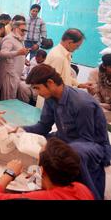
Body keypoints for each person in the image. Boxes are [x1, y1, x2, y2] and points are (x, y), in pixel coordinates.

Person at [21, 64, 111, 200]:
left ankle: (88, 195)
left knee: (72, 153)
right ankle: (49, 187)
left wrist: (54, 151)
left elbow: (86, 140)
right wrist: (20, 130)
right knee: (36, 140)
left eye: (37, 88)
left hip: (93, 146)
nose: (37, 93)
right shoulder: (50, 99)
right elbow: (43, 127)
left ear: (50, 83)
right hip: (67, 139)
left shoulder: (82, 103)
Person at [0, 137, 95, 200]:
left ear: (41, 170)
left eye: (38, 158)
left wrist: (9, 173)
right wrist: (40, 180)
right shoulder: (82, 189)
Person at [0, 21, 29, 100]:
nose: (24, 33)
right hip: (8, 73)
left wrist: (24, 60)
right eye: (22, 30)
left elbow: (17, 54)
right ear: (15, 29)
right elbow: (3, 53)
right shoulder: (9, 39)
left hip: (15, 74)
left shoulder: (19, 39)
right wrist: (18, 52)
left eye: (25, 31)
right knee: (8, 100)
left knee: (11, 98)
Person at [86, 53, 111, 123]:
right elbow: (93, 93)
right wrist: (97, 104)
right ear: (104, 66)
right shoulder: (95, 73)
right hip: (99, 105)